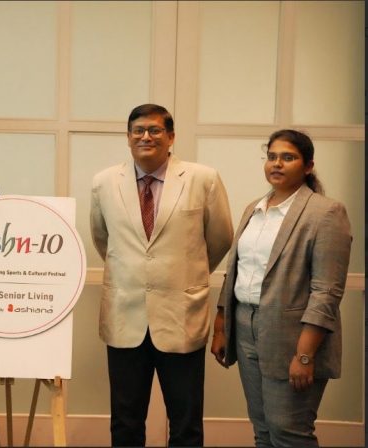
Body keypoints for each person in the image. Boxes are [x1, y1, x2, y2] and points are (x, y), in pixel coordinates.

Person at [90, 103, 233, 447]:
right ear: (128, 138)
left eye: (155, 130)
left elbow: (220, 238)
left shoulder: (203, 179)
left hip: (181, 315)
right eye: (138, 130)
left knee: (186, 423)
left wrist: (186, 270)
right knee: (125, 422)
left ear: (171, 137)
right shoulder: (104, 182)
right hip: (125, 317)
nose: (146, 137)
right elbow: (103, 239)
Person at [211, 129, 352, 447]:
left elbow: (327, 291)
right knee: (262, 430)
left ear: (308, 166)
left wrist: (305, 355)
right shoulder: (254, 209)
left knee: (289, 432)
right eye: (272, 157)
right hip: (245, 326)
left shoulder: (326, 213)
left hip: (293, 335)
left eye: (288, 157)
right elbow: (236, 270)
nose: (277, 163)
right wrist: (221, 326)